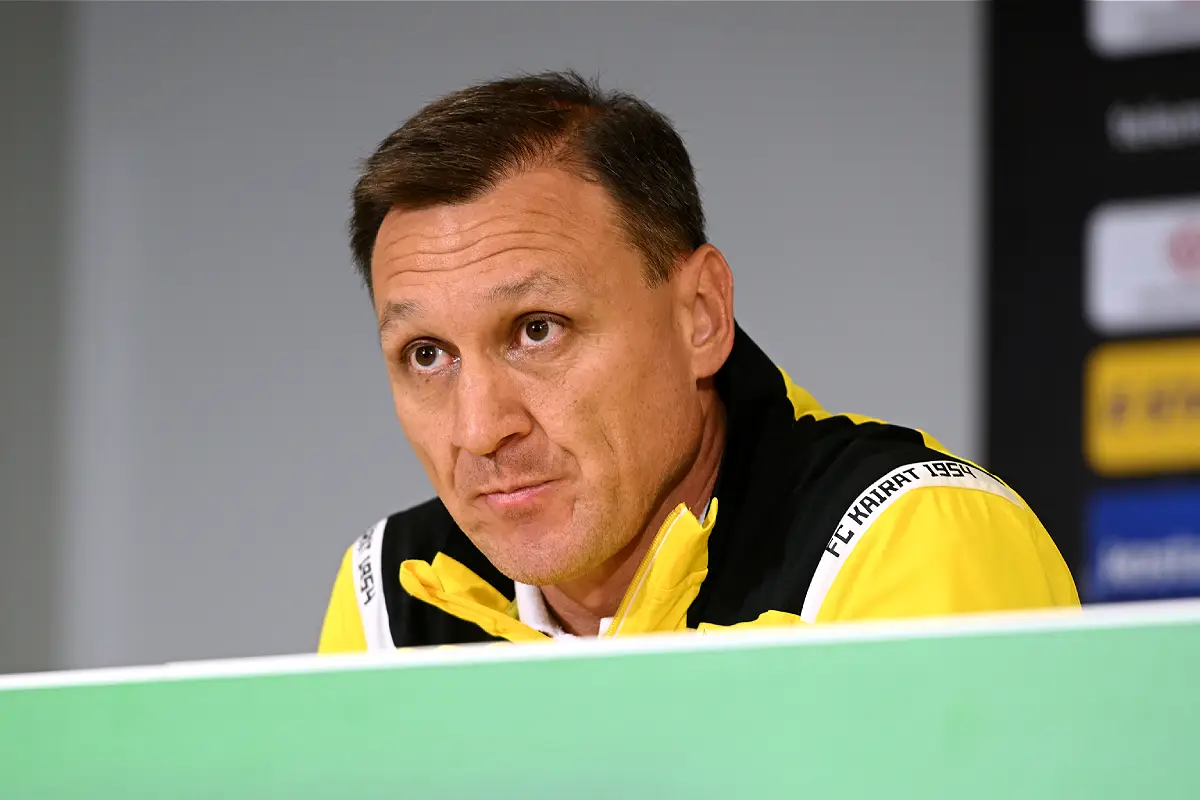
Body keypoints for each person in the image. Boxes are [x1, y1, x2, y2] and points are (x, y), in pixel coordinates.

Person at [317, 71, 1078, 652]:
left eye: (538, 330)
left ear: (702, 316)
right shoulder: (389, 596)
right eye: (427, 355)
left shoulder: (910, 546)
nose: (480, 429)